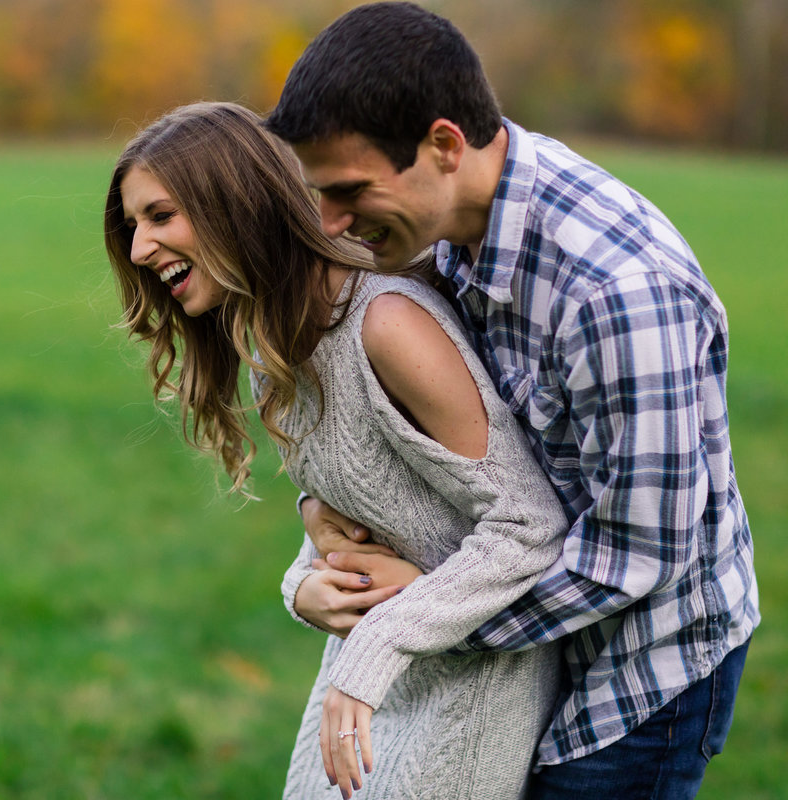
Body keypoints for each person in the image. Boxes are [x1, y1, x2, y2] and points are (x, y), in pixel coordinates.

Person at [263, 3, 760, 798]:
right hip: (519, 645)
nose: (328, 223)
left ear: (444, 145)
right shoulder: (442, 229)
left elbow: (633, 557)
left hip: (634, 674)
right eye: (316, 192)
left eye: (349, 189)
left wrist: (417, 621)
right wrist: (320, 530)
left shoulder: (617, 291)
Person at [104, 101, 570, 799]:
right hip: (365, 696)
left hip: (464, 700)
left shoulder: (385, 324)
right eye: (133, 227)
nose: (140, 249)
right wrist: (304, 588)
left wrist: (372, 655)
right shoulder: (276, 343)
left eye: (160, 217)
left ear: (238, 205)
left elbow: (529, 526)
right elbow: (365, 513)